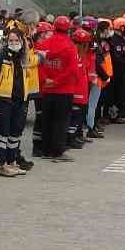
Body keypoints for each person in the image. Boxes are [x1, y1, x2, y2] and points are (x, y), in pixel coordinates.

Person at [36, 16, 80, 162]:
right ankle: (58, 152)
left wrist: (45, 80)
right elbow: (72, 69)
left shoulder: (43, 45)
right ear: (68, 30)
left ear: (54, 27)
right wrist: (57, 81)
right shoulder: (70, 46)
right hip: (64, 90)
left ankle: (46, 150)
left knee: (47, 120)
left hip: (47, 90)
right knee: (61, 121)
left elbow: (38, 65)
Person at [0, 21, 31, 178]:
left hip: (20, 100)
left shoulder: (23, 57)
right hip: (3, 99)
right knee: (3, 133)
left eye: (17, 41)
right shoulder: (1, 56)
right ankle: (2, 164)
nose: (14, 43)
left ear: (22, 42)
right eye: (11, 41)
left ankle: (12, 162)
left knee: (16, 132)